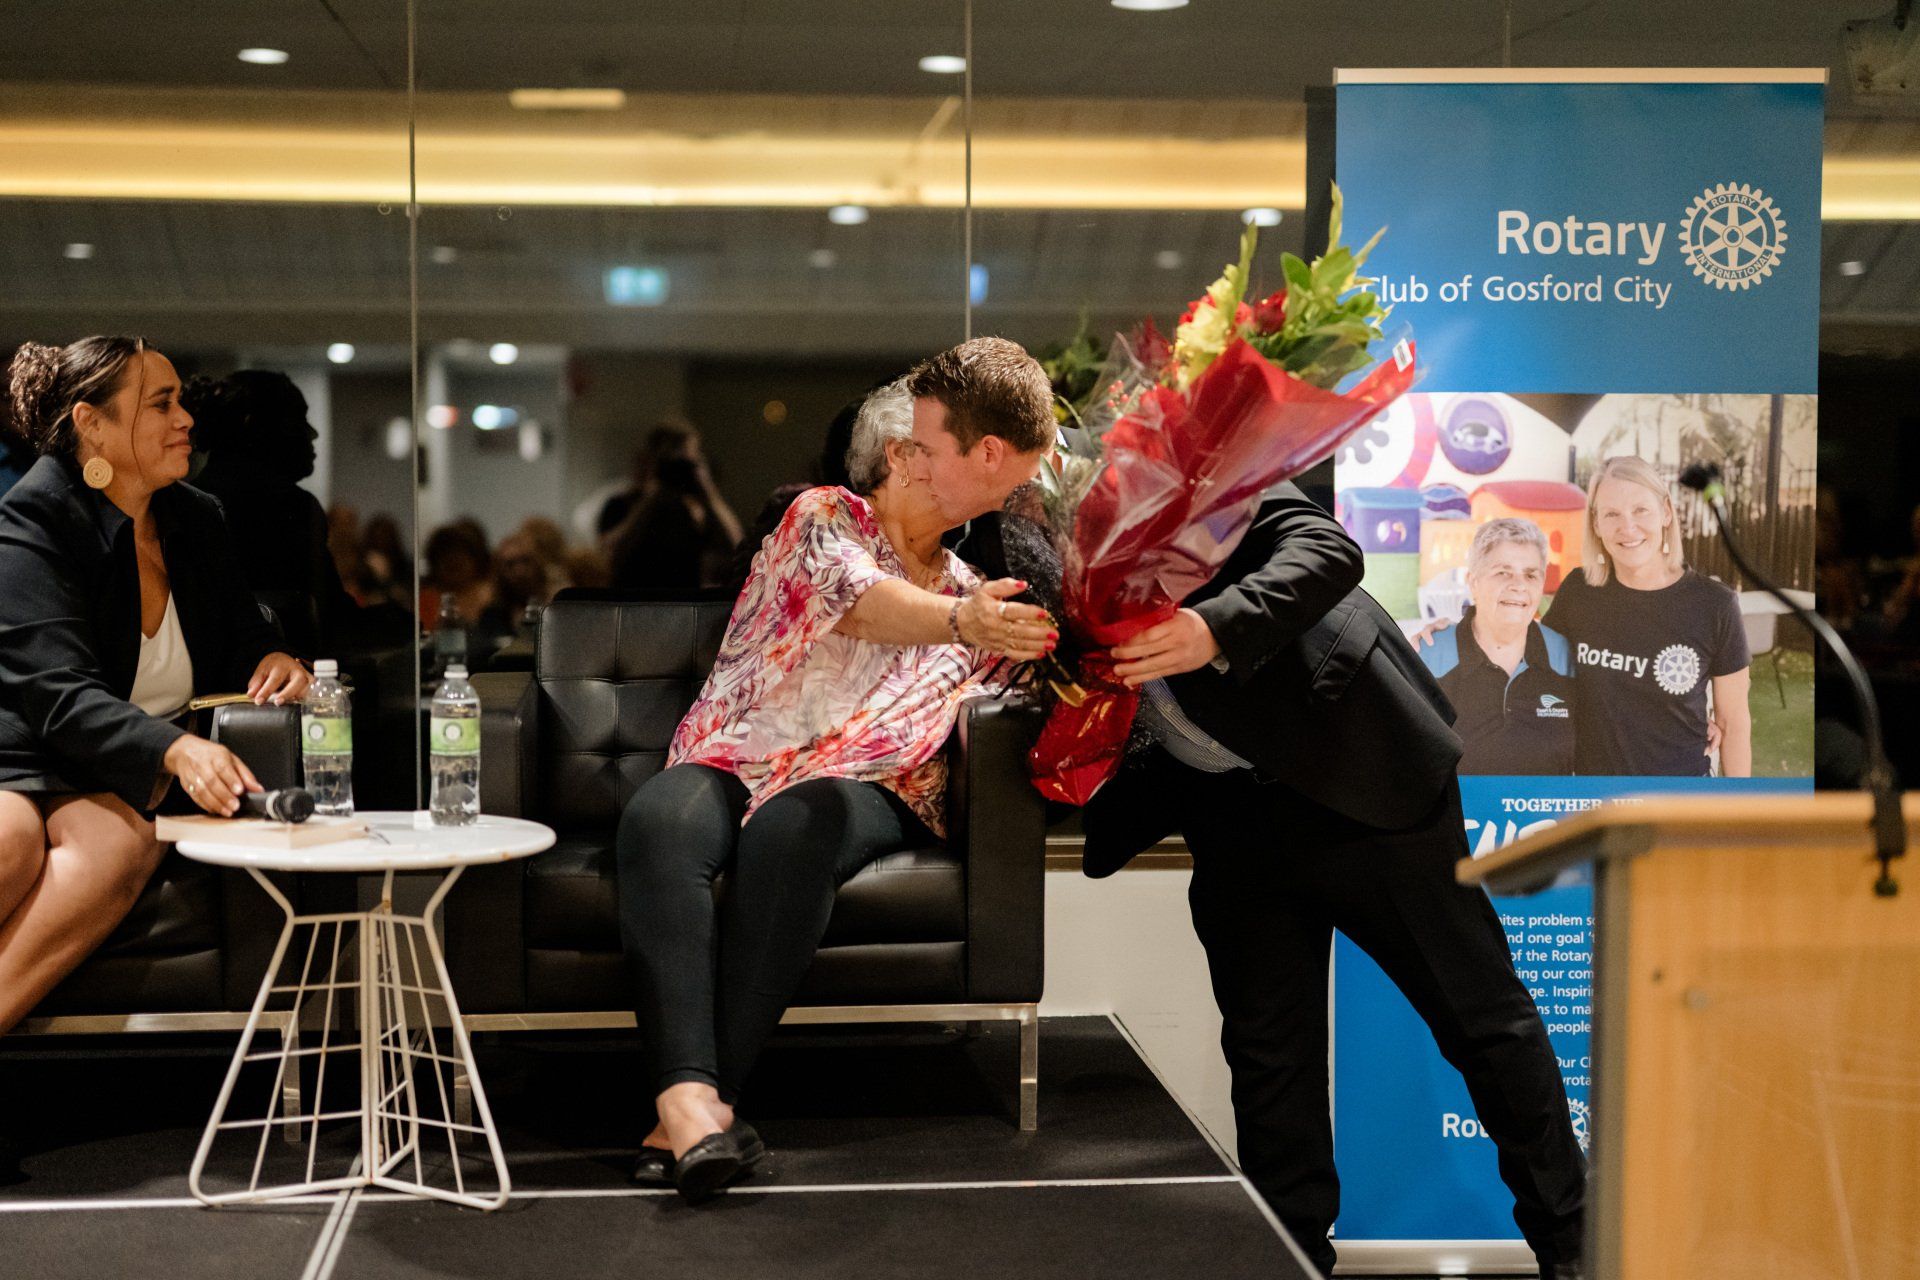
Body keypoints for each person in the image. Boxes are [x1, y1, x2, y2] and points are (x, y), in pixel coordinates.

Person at [940, 448, 1587, 1270]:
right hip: (1226, 810)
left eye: (946, 451)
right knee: (1268, 1058)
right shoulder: (988, 550)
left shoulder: (1170, 462)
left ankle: (1574, 1247)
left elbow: (1325, 550)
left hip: (1359, 771)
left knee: (1484, 1023)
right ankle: (1292, 1257)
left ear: (1020, 447)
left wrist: (1211, 628)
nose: (939, 472)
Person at [615, 344, 1055, 1202]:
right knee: (659, 820)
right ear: (901, 458)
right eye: (931, 451)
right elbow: (860, 601)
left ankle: (697, 1108)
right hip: (740, 751)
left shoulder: (975, 589)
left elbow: (1028, 681)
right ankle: (692, 1107)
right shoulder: (825, 519)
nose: (997, 489)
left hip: (869, 783)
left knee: (797, 827)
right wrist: (963, 622)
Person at [0, 337, 311, 1054]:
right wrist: (175, 750)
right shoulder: (33, 518)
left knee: (120, 844)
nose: (186, 420)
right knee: (11, 844)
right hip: (26, 748)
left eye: (181, 402)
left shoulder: (195, 516)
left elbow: (238, 632)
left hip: (115, 766)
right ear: (93, 424)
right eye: (161, 404)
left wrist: (272, 655)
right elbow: (57, 694)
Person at [1544, 455, 1751, 777]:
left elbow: (1733, 725)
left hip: (1680, 799)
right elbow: (1529, 663)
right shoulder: (1578, 591)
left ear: (1666, 513)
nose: (1628, 527)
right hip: (1594, 799)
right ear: (1596, 524)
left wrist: (1740, 815)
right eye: (1612, 514)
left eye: (1641, 510)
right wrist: (1450, 629)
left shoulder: (1715, 604)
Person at [181, 370, 361, 657]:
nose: (311, 434)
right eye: (298, 419)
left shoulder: (184, 501)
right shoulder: (292, 506)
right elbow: (333, 616)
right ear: (254, 426)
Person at [1416, 518, 1575, 775]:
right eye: (1503, 572)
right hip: (1459, 816)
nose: (1519, 585)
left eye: (1531, 574)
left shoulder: (1566, 657)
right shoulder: (1428, 655)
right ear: (1473, 582)